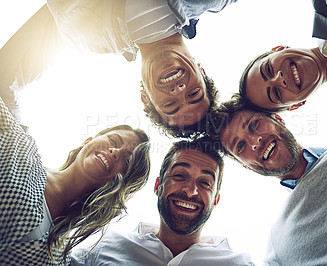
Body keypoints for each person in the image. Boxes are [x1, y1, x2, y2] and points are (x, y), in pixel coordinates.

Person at [1, 0, 237, 137]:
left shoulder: (83, 35)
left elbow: (6, 77)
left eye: (170, 104)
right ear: (201, 71)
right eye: (193, 94)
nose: (179, 90)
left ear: (145, 97)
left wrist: (23, 145)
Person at [213, 94, 327, 264]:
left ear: (278, 118)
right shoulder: (278, 247)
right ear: (245, 165)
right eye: (240, 146)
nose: (255, 142)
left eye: (254, 125)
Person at [0, 96, 151, 265]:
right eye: (114, 141)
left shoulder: (60, 257)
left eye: (127, 160)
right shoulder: (20, 148)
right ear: (88, 141)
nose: (115, 151)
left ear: (122, 183)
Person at [71, 137, 254, 265]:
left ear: (216, 200)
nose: (191, 191)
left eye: (205, 183)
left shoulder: (240, 263)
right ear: (158, 185)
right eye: (180, 175)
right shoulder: (102, 248)